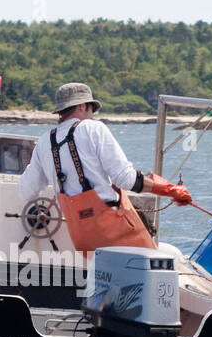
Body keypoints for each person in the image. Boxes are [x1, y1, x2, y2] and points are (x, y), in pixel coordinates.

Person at [16, 82, 191, 249]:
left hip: (81, 236)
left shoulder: (44, 142)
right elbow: (126, 179)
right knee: (153, 266)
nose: (92, 115)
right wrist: (171, 190)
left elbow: (25, 190)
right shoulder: (93, 128)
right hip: (112, 231)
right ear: (82, 106)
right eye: (92, 109)